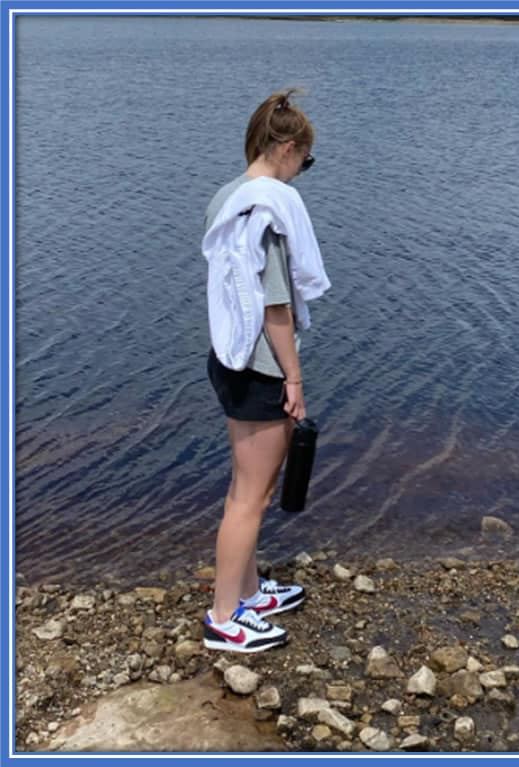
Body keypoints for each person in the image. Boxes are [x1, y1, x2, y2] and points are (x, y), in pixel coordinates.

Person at [201, 89, 329, 652]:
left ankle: (249, 592)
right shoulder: (269, 209)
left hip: (226, 356)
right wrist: (294, 379)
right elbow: (276, 307)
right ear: (287, 147)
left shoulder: (227, 196)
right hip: (258, 366)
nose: (304, 171)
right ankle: (225, 616)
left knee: (242, 488)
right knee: (250, 497)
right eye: (306, 158)